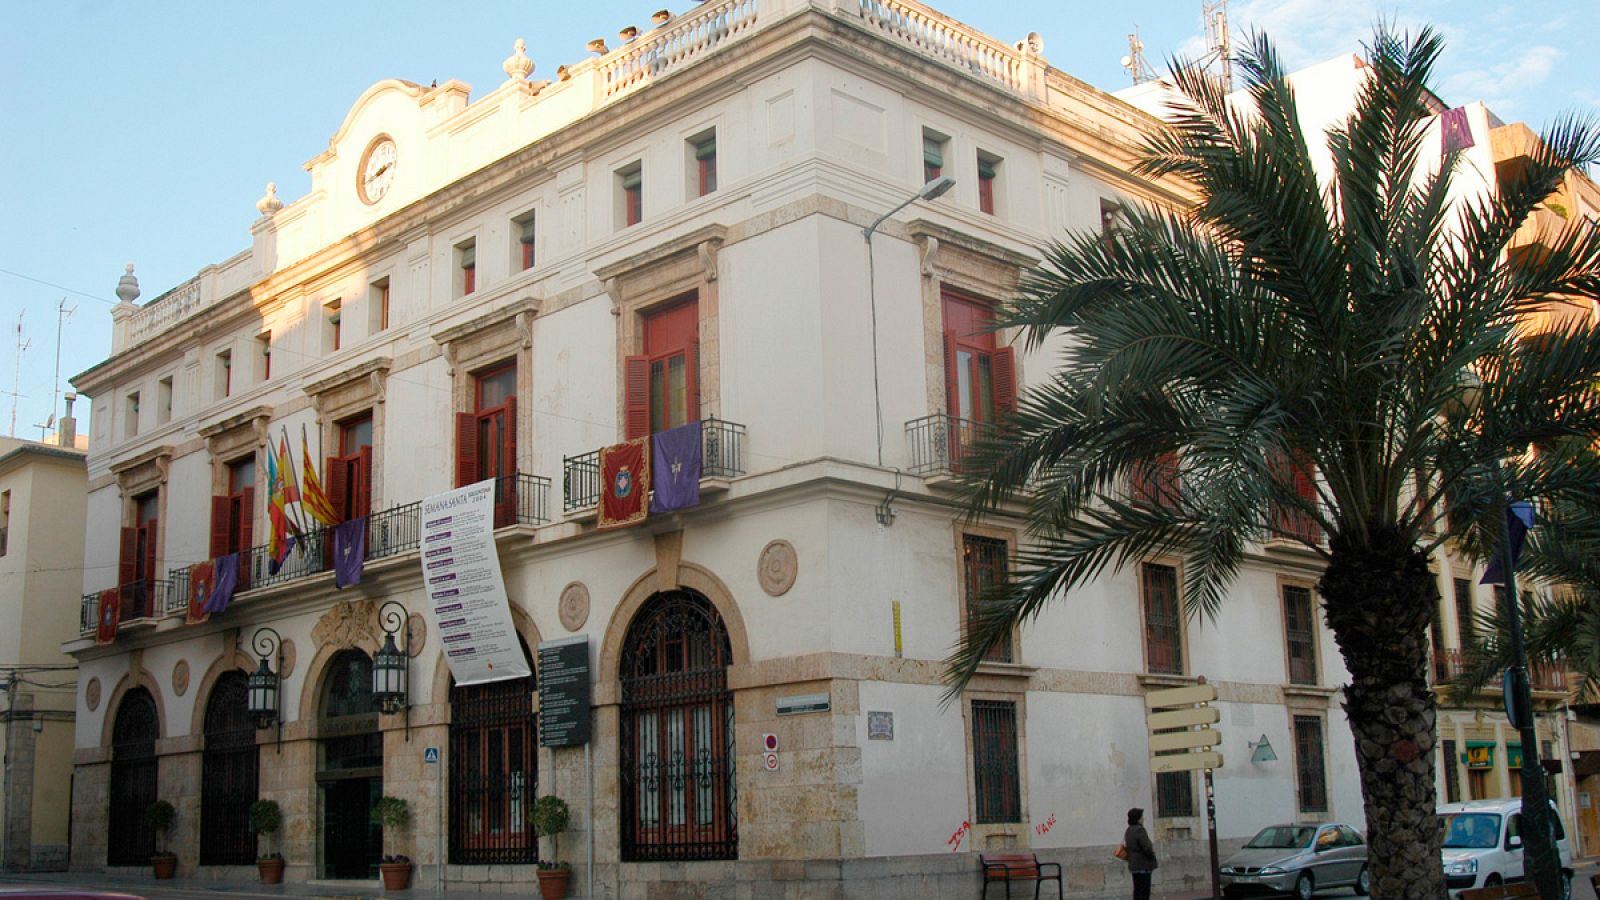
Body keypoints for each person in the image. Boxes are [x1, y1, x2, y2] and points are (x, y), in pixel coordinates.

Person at [1124, 806, 1158, 900]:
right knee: (1144, 891)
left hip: (1134, 865)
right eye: (1141, 817)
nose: (1143, 819)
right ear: (1138, 819)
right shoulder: (1140, 830)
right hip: (1143, 865)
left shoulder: (1129, 830)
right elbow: (1146, 847)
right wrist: (1152, 854)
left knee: (1137, 890)